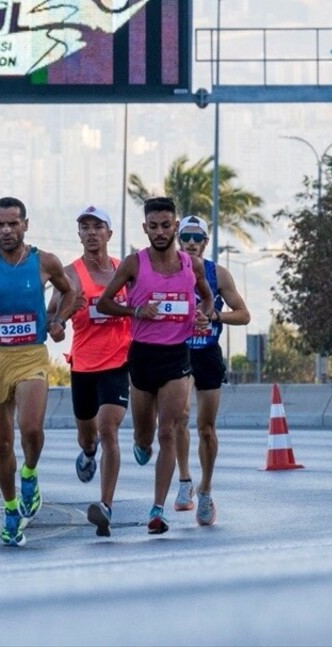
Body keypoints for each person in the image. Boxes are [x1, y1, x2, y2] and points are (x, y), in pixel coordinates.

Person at [0, 196, 77, 547]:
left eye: (12, 223)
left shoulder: (44, 262)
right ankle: (10, 510)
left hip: (31, 355)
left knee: (32, 430)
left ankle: (30, 474)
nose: (6, 230)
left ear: (25, 224)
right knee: (1, 441)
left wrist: (57, 320)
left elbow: (72, 293)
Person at [97, 197, 213, 535]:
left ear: (176, 226)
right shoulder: (134, 263)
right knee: (146, 436)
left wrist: (203, 315)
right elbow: (104, 302)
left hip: (177, 356)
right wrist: (135, 312)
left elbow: (206, 296)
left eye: (166, 225)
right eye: (154, 226)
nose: (160, 232)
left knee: (169, 431)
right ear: (145, 228)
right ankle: (140, 444)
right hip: (143, 357)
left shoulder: (192, 266)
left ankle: (157, 510)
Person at [48, 206, 132, 537]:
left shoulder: (125, 271)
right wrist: (54, 326)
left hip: (119, 361)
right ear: (79, 234)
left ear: (109, 233)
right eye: (85, 227)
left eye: (98, 227)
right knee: (88, 434)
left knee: (108, 427)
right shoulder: (69, 274)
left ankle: (105, 506)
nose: (92, 232)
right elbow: (51, 314)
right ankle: (87, 452)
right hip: (83, 364)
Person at [171, 215, 250, 527]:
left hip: (208, 354)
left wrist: (216, 315)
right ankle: (184, 481)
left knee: (206, 428)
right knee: (178, 419)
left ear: (205, 242)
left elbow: (243, 314)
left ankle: (205, 490)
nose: (191, 243)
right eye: (186, 237)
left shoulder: (219, 273)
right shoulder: (168, 270)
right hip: (178, 352)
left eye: (197, 238)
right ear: (179, 240)